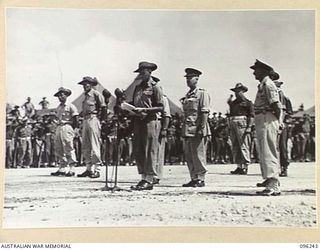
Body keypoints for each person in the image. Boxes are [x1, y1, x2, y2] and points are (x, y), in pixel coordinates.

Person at [129, 62, 164, 191]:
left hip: (150, 121)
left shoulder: (155, 87)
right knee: (139, 149)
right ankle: (143, 177)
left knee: (150, 150)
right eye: (140, 72)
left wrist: (144, 110)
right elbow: (134, 102)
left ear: (150, 72)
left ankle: (149, 179)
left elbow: (160, 107)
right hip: (138, 121)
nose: (142, 75)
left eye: (144, 72)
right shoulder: (138, 87)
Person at [250, 59, 281, 196]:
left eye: (256, 71)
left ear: (263, 71)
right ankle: (268, 178)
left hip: (268, 118)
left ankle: (273, 183)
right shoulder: (263, 85)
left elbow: (276, 105)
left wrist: (278, 121)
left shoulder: (268, 85)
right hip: (262, 118)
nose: (254, 73)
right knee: (263, 150)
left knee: (269, 150)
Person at [180, 68, 210, 187]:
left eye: (190, 78)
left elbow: (204, 112)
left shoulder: (202, 93)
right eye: (187, 78)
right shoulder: (188, 95)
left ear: (197, 79)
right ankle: (193, 177)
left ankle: (200, 178)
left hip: (197, 128)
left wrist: (202, 127)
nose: (188, 80)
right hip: (188, 128)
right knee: (189, 154)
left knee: (199, 154)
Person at [77, 77, 106, 178]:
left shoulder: (96, 94)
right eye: (83, 84)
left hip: (93, 118)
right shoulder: (85, 96)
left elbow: (103, 107)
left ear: (91, 84)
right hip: (85, 119)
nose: (85, 86)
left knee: (95, 144)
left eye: (87, 84)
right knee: (86, 145)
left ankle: (97, 169)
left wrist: (101, 120)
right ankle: (88, 168)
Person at [50, 87, 78, 176]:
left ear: (66, 95)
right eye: (58, 96)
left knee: (68, 146)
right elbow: (56, 117)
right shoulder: (58, 107)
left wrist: (73, 129)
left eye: (62, 95)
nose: (60, 97)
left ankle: (72, 168)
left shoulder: (70, 106)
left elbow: (75, 119)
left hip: (67, 126)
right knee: (59, 147)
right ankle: (62, 167)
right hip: (59, 127)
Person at [227, 83, 254, 175]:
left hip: (242, 123)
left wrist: (249, 127)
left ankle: (245, 166)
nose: (237, 93)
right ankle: (239, 166)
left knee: (243, 144)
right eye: (236, 91)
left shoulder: (248, 103)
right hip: (233, 122)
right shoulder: (233, 103)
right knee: (235, 145)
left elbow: (251, 116)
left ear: (243, 92)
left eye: (239, 91)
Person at [272, 77, 293, 177]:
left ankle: (284, 167)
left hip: (282, 125)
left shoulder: (285, 99)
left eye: (278, 86)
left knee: (282, 146)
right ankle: (275, 168)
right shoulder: (271, 98)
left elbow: (289, 114)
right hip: (271, 124)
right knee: (272, 147)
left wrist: (285, 122)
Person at [152, 76, 171, 185]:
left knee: (158, 151)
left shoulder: (163, 98)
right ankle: (150, 173)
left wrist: (164, 129)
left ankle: (157, 175)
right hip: (148, 125)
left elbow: (166, 115)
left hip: (158, 124)